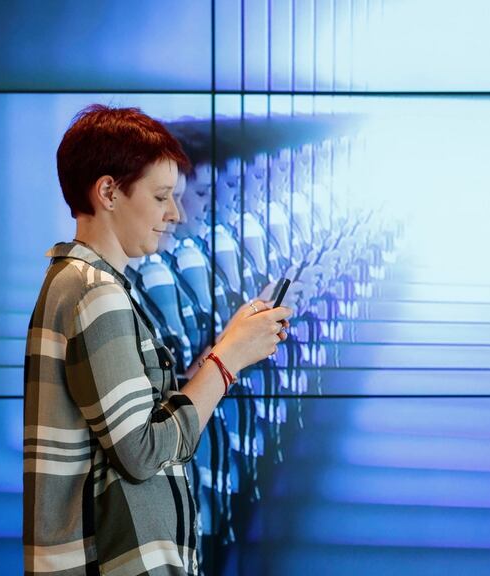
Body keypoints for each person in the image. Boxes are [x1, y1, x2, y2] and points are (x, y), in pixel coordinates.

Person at [23, 105, 293, 575]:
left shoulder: (82, 284)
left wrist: (230, 343)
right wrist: (228, 358)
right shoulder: (94, 293)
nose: (176, 213)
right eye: (162, 196)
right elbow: (144, 451)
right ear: (108, 191)